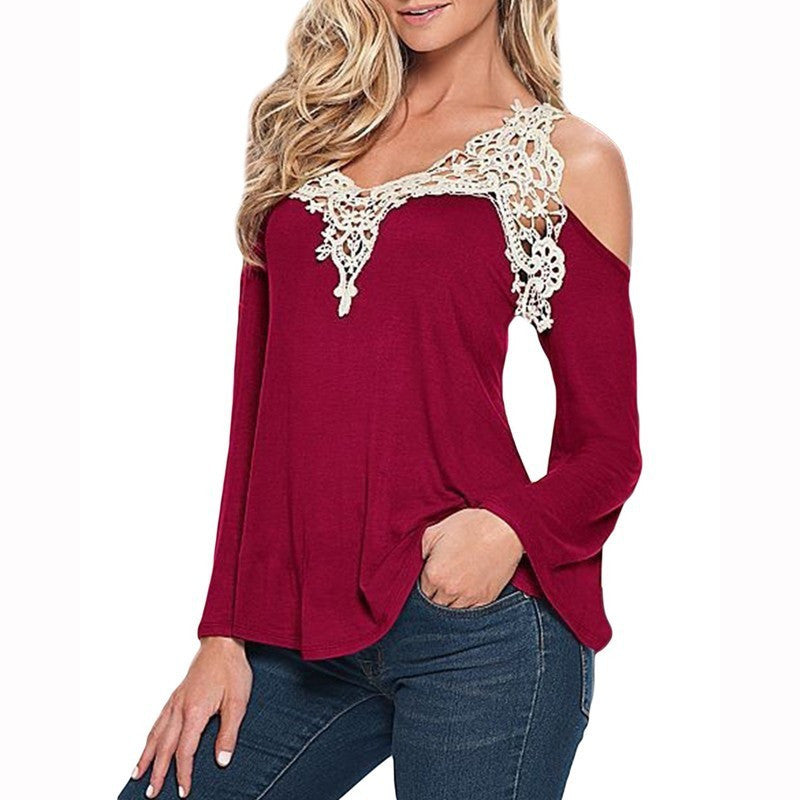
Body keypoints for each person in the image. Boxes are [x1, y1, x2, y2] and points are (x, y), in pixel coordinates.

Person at [118, 1, 642, 798]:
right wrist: (222, 630)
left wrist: (506, 527)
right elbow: (255, 407)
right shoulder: (309, 133)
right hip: (295, 634)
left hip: (477, 627)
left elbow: (606, 450)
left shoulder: (566, 160)